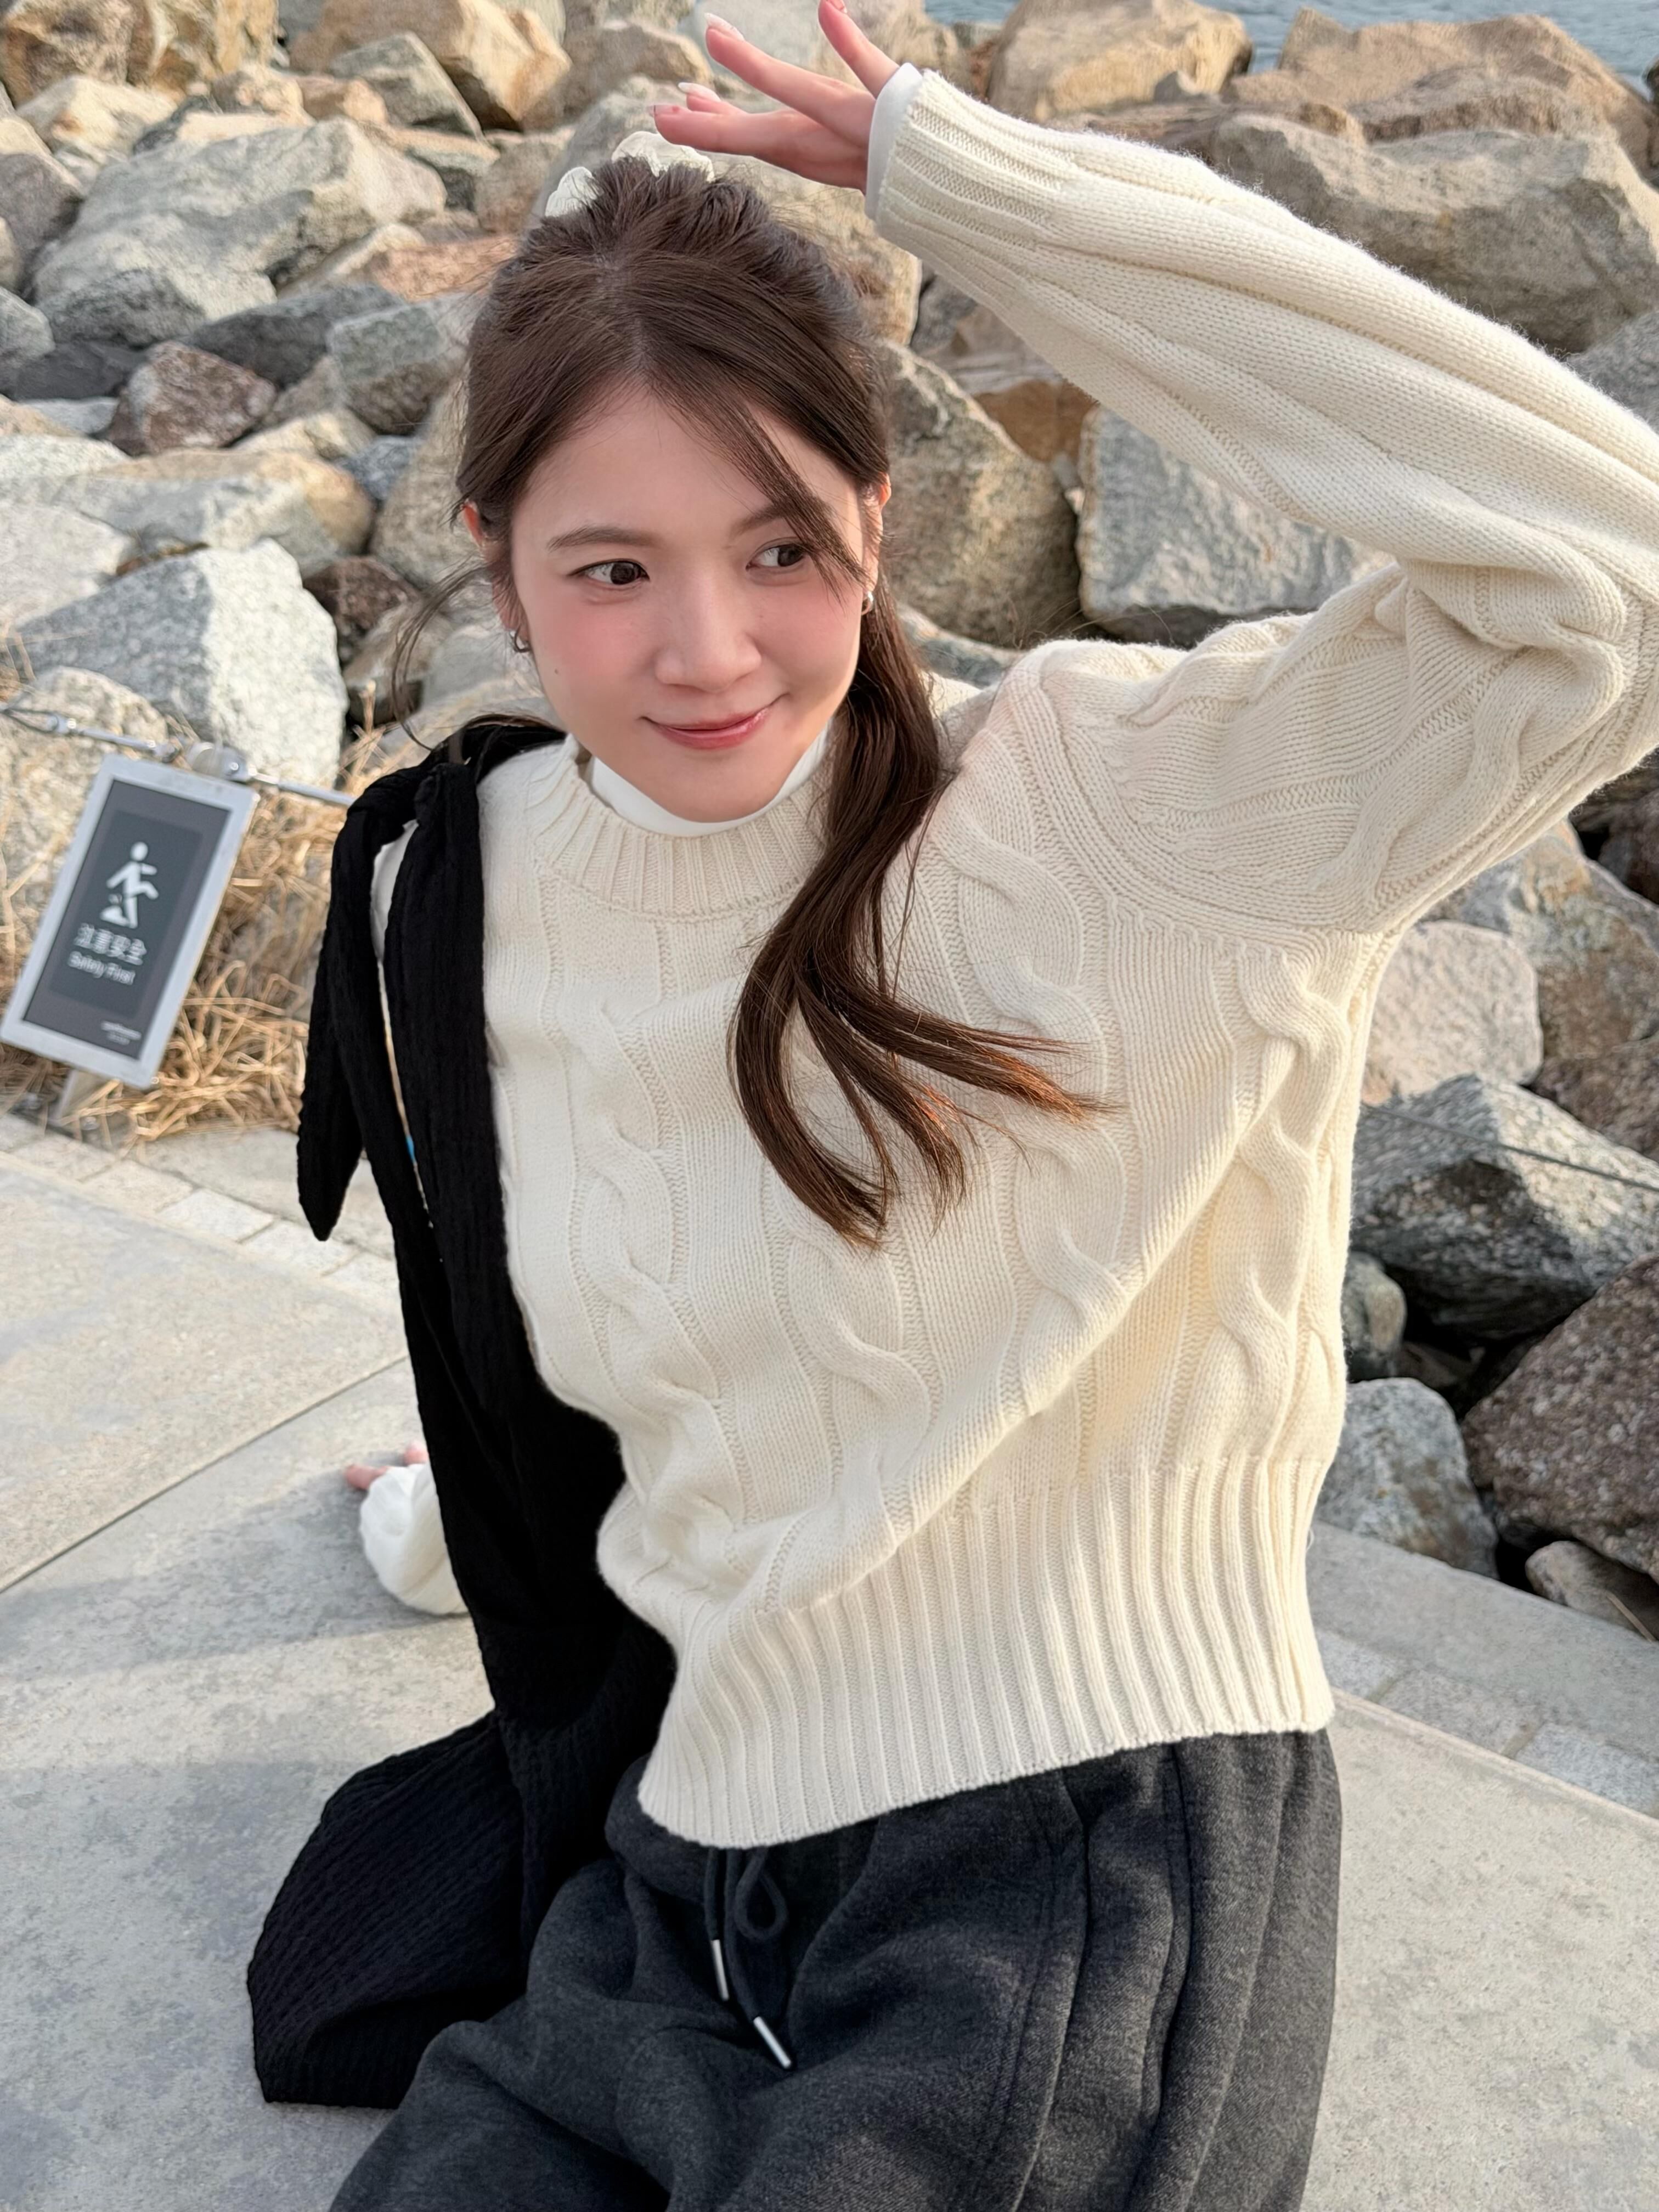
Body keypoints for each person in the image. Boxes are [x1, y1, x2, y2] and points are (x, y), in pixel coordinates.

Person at [273, 3, 1659, 2205]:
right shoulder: (466, 882)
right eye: (613, 569)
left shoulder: (1137, 811)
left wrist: (1001, 196)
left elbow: (1613, 581)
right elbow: (684, 1360)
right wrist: (473, 1504)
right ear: (493, 555)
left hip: (1073, 1875)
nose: (708, 652)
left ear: (884, 513)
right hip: (687, 1868)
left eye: (783, 549)